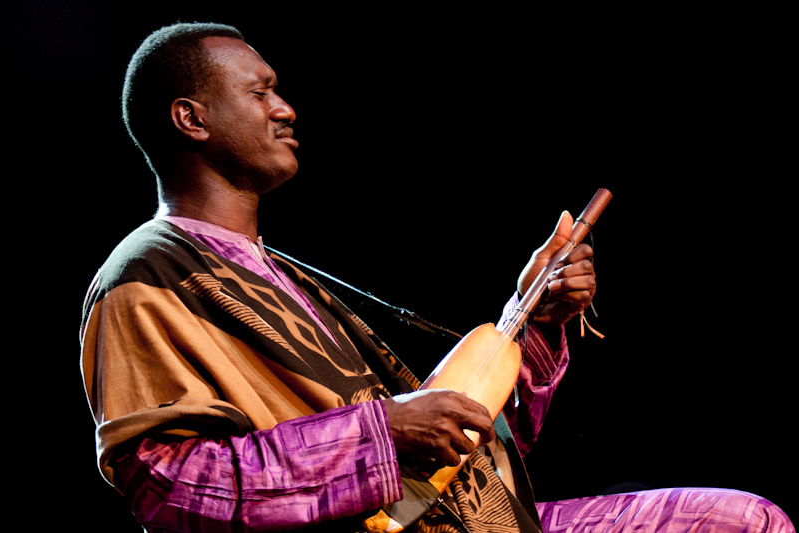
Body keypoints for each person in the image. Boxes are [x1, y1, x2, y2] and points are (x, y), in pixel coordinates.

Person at [80, 22, 794, 532]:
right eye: (261, 91)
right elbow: (166, 487)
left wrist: (534, 317)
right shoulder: (147, 277)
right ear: (190, 118)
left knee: (747, 520)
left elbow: (463, 443)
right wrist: (384, 434)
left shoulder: (286, 276)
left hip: (486, 520)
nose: (285, 107)